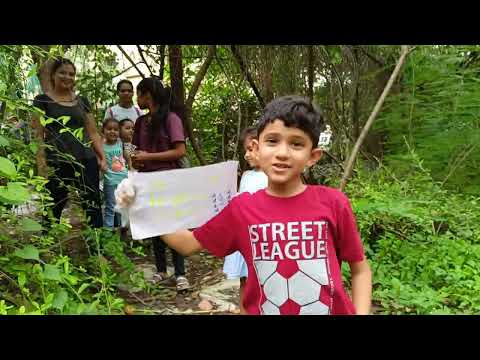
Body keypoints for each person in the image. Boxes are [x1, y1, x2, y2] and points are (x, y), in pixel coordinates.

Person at [117, 95, 372, 315]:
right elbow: (187, 244)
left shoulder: (333, 203)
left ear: (312, 156)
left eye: (296, 143)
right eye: (273, 141)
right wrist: (139, 204)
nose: (283, 152)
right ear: (256, 149)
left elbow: (359, 270)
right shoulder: (242, 208)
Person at [32, 57, 106, 229]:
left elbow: (93, 132)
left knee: (92, 206)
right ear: (53, 75)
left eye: (71, 74)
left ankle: (97, 251)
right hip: (57, 161)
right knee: (53, 207)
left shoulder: (82, 101)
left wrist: (102, 157)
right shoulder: (42, 100)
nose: (67, 77)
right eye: (63, 73)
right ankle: (49, 249)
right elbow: (38, 135)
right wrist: (41, 164)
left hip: (86, 160)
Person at [131, 76, 190, 292]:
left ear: (149, 95)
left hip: (170, 180)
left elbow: (180, 150)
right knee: (154, 226)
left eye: (139, 93)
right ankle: (161, 269)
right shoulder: (140, 122)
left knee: (174, 225)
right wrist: (134, 158)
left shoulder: (171, 118)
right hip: (147, 180)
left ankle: (181, 273)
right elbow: (132, 148)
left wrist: (148, 157)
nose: (137, 98)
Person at [223, 126, 267, 314]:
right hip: (244, 238)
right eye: (246, 150)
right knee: (245, 280)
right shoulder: (247, 176)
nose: (247, 155)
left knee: (263, 283)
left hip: (262, 240)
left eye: (251, 149)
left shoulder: (271, 177)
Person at [102, 118, 129, 240]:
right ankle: (108, 233)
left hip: (123, 180)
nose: (112, 132)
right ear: (103, 130)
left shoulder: (121, 143)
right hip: (110, 181)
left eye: (116, 129)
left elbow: (128, 157)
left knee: (122, 206)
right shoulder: (101, 145)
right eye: (109, 129)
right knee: (111, 206)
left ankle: (121, 231)